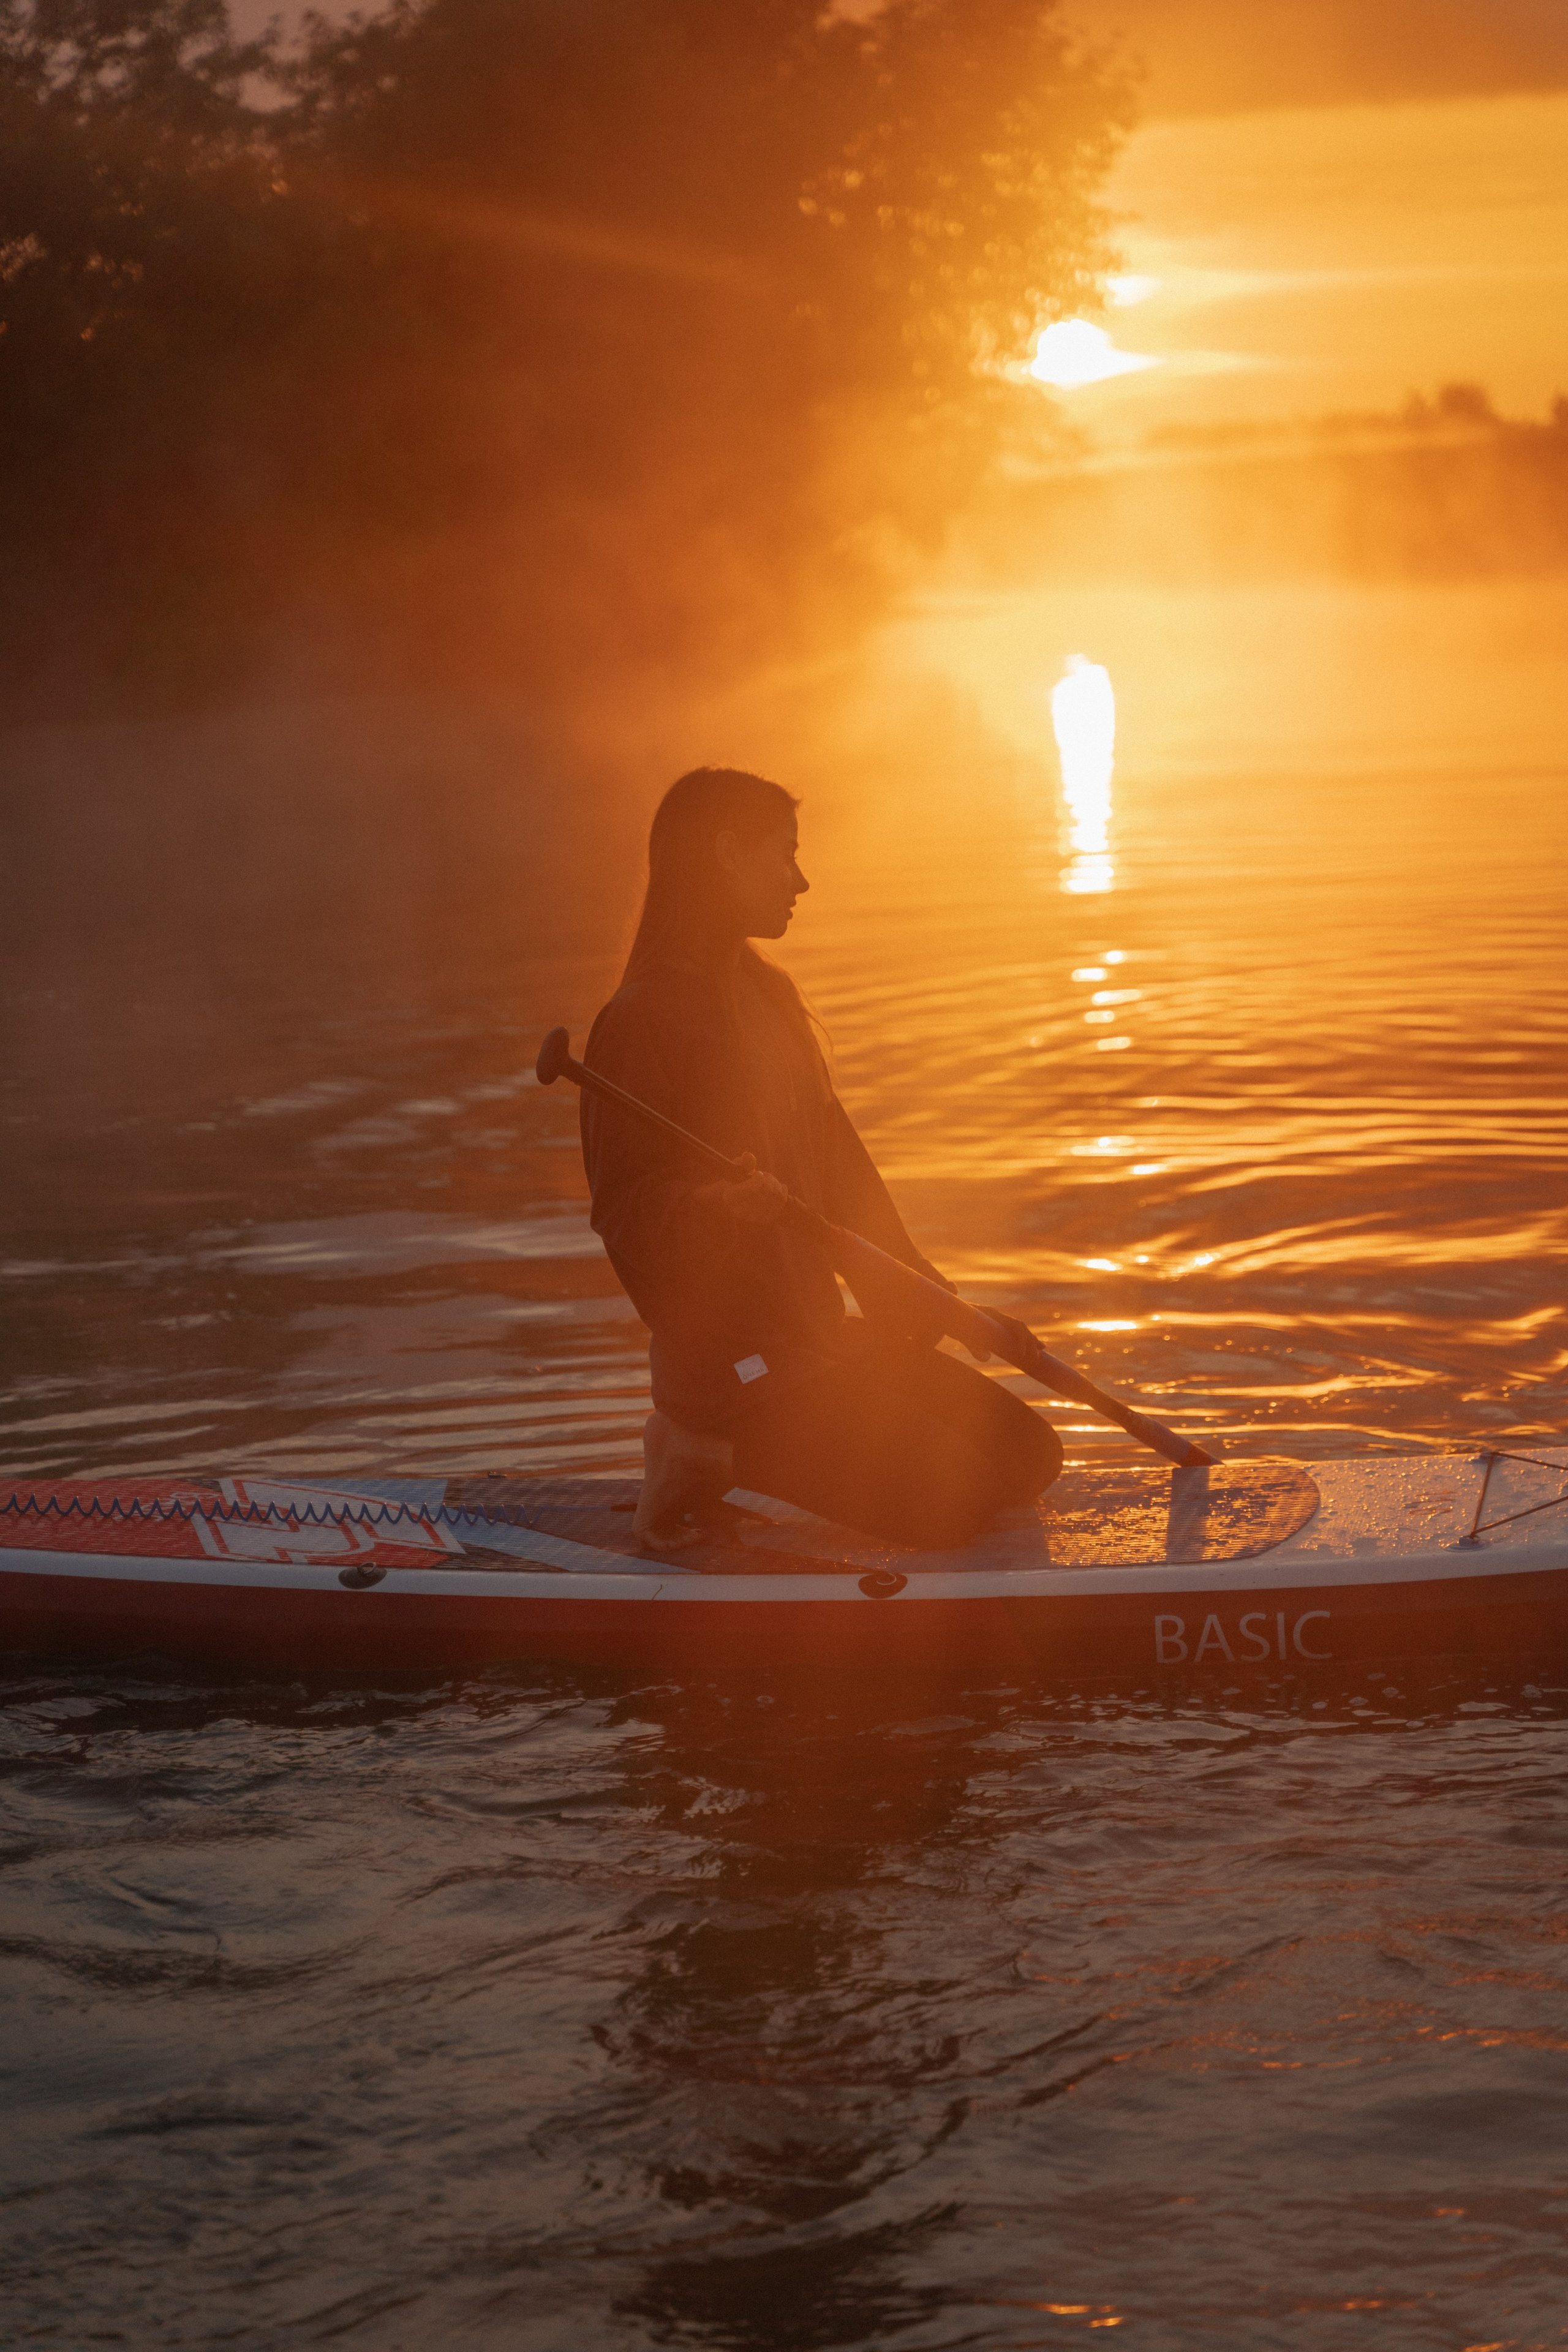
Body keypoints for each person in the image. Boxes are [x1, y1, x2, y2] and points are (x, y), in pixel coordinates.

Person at [581, 767, 1062, 1551]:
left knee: (1029, 1455)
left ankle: (799, 1438)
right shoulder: (641, 1022)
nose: (800, 880)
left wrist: (929, 1303)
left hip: (818, 1345)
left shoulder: (769, 998)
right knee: (960, 1504)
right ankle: (696, 1454)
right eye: (785, 855)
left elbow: (844, 1176)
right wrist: (713, 1209)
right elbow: (624, 1213)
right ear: (729, 854)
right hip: (734, 1376)